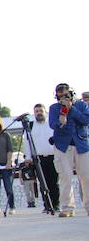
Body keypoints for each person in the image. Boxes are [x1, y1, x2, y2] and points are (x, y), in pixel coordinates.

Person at [48, 83, 89, 217]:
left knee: (86, 177)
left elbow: (85, 120)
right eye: (60, 95)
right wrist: (61, 120)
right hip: (62, 146)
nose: (63, 97)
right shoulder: (54, 108)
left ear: (71, 93)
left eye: (65, 94)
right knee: (65, 177)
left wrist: (71, 109)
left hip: (81, 145)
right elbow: (52, 124)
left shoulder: (81, 105)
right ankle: (67, 208)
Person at [31, 103, 60, 212]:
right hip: (39, 159)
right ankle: (47, 205)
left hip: (53, 156)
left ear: (45, 112)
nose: (39, 113)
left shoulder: (51, 124)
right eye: (36, 111)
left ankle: (56, 204)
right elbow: (28, 143)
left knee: (54, 182)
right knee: (43, 183)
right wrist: (28, 158)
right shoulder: (31, 126)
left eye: (40, 111)